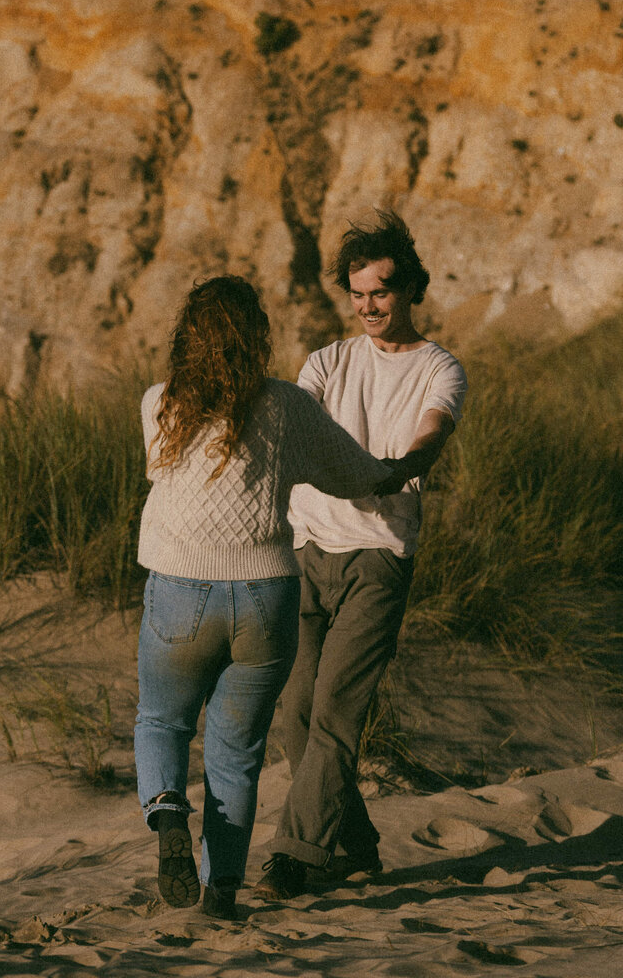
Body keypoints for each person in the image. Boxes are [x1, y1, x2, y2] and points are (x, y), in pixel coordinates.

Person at [135, 275, 397, 920]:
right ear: (257, 338)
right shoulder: (286, 407)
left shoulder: (159, 403)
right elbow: (356, 475)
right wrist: (409, 464)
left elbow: (166, 475)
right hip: (267, 597)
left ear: (186, 339)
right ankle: (220, 893)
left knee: (162, 720)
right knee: (237, 755)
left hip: (178, 593)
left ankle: (167, 811)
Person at [255, 210, 468, 900]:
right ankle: (355, 844)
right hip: (307, 546)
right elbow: (296, 426)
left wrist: (402, 466)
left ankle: (298, 854)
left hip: (379, 552)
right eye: (357, 294)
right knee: (297, 715)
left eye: (380, 291)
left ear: (409, 289)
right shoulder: (325, 361)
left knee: (337, 713)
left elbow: (433, 431)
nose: (368, 307)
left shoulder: (440, 366)